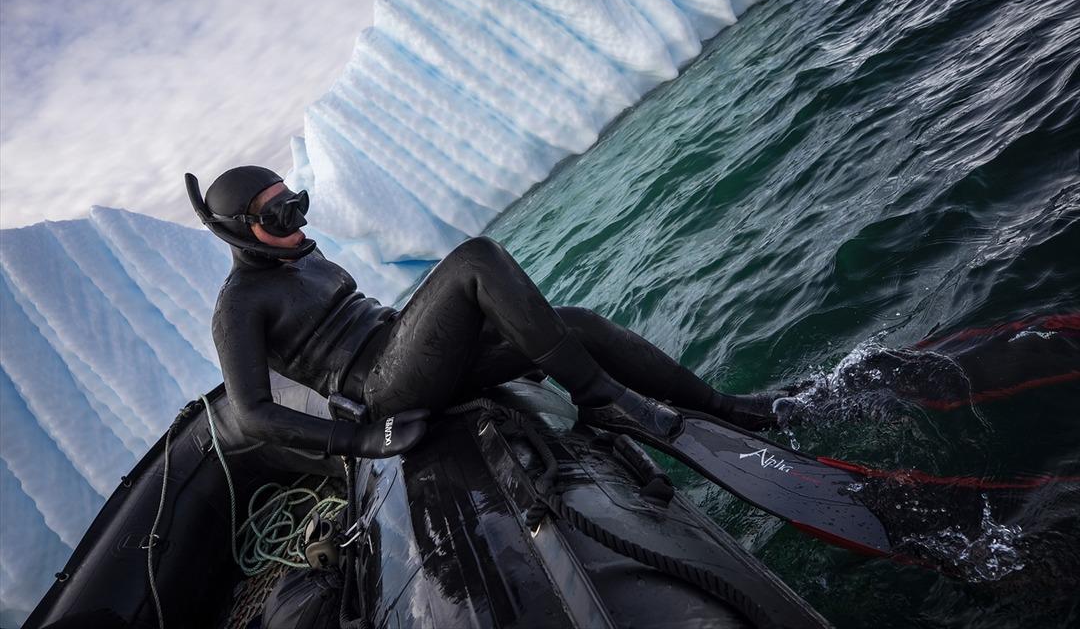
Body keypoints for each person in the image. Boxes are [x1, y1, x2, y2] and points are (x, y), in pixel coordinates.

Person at [186, 166, 787, 460]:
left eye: (298, 204)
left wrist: (489, 337)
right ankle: (605, 402)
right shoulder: (237, 306)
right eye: (283, 216)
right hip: (384, 392)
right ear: (244, 233)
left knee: (576, 324)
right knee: (475, 259)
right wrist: (363, 438)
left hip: (410, 357)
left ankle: (727, 409)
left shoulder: (302, 262)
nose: (300, 221)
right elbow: (255, 413)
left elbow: (380, 322)